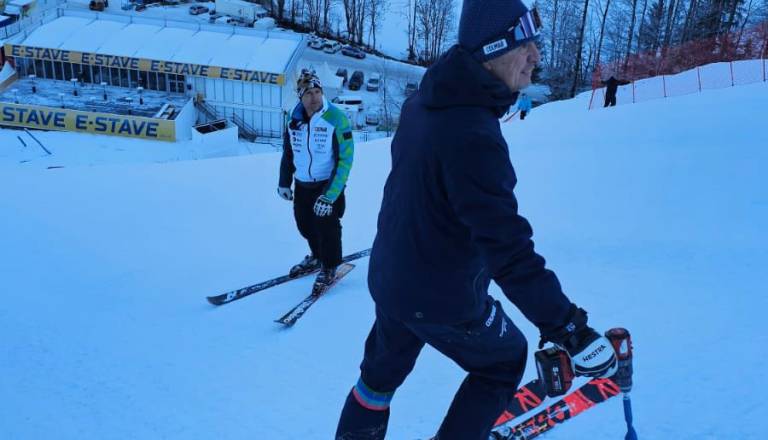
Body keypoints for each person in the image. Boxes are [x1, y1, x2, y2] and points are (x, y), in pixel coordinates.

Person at [334, 1, 618, 439]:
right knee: (504, 361)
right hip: (440, 296)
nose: (536, 56)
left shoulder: (426, 100)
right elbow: (508, 249)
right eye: (526, 44)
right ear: (494, 50)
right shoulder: (471, 134)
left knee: (377, 379)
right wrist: (568, 327)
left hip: (392, 278)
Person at [278, 69, 354, 287]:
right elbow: (288, 152)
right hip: (302, 184)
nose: (314, 98)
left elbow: (345, 161)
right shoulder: (294, 119)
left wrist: (329, 196)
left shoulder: (336, 119)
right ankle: (317, 256)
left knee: (327, 227)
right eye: (309, 93)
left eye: (318, 92)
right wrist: (284, 181)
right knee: (305, 225)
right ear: (300, 97)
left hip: (327, 185)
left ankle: (330, 265)